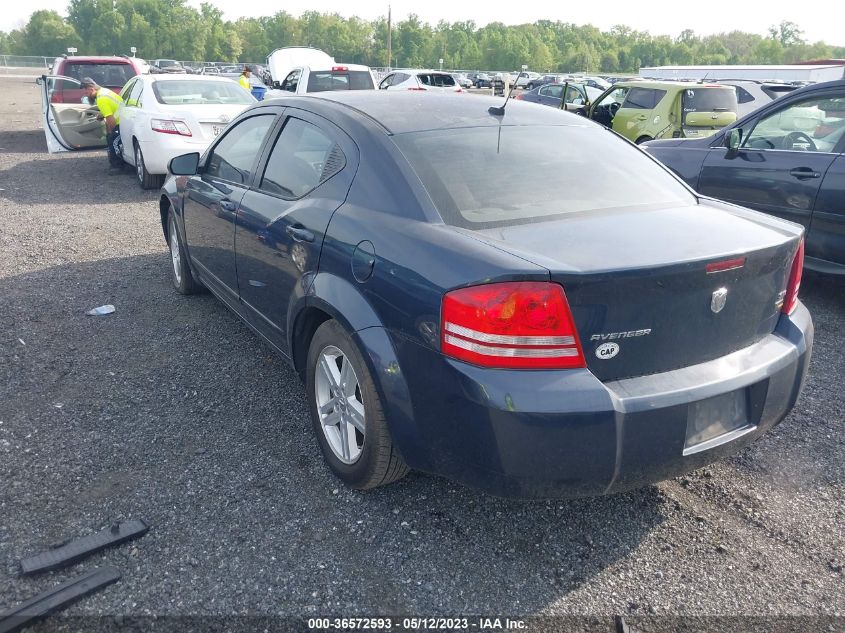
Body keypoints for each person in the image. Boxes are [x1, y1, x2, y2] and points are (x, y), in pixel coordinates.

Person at [81, 77, 124, 175]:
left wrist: (111, 132)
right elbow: (113, 108)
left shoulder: (101, 99)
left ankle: (118, 166)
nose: (85, 94)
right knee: (112, 138)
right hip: (125, 118)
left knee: (112, 140)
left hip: (122, 123)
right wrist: (102, 114)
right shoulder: (104, 91)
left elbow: (110, 119)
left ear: (91, 89)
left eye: (86, 93)